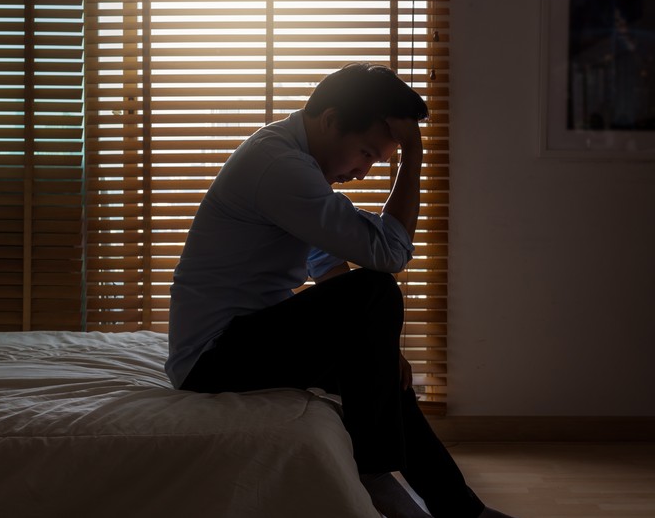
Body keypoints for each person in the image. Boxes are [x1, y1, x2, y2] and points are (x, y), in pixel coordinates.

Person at [166, 63, 514, 518]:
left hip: (241, 340)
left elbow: (324, 261)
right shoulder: (280, 167)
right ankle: (371, 470)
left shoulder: (290, 158)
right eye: (366, 153)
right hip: (213, 357)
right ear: (330, 120)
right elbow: (388, 256)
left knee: (387, 374)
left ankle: (462, 510)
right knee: (377, 288)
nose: (364, 172)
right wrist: (413, 153)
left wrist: (378, 343)